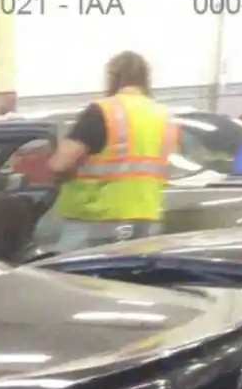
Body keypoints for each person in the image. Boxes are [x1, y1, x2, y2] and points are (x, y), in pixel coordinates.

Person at [43, 51, 180, 252]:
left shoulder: (103, 111)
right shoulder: (164, 116)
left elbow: (60, 164)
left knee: (67, 279)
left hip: (96, 218)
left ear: (113, 77)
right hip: (146, 216)